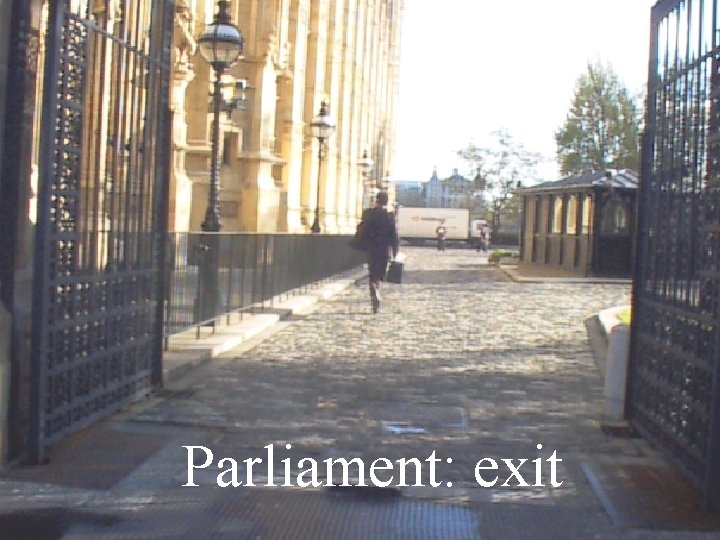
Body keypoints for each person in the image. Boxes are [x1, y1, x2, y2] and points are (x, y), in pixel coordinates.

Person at [362, 191, 398, 313]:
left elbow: (363, 230)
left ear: (376, 200)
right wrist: (394, 251)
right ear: (386, 202)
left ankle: (373, 289)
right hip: (384, 249)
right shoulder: (389, 217)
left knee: (372, 273)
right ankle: (377, 289)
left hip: (372, 248)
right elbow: (393, 236)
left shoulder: (368, 214)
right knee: (381, 273)